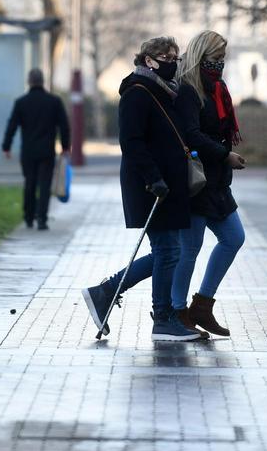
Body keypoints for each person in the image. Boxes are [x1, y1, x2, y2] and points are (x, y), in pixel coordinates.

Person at [81, 37, 202, 342]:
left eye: (176, 56)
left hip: (167, 185)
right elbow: (131, 142)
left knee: (168, 251)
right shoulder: (137, 93)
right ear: (149, 60)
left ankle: (108, 291)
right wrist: (153, 178)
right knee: (168, 250)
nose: (173, 61)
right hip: (151, 186)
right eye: (166, 56)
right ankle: (160, 317)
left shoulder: (164, 92)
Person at [171, 30, 246, 336]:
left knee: (233, 238)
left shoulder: (218, 88)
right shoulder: (189, 90)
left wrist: (225, 156)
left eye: (223, 59)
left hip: (216, 182)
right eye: (216, 59)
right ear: (202, 56)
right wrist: (224, 154)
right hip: (197, 179)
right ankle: (176, 312)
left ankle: (202, 306)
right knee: (189, 248)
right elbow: (191, 133)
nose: (220, 65)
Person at [1, 69, 70, 230]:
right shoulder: (54, 101)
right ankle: (42, 219)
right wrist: (65, 146)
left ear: (29, 81)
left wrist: (6, 146)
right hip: (47, 150)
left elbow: (12, 125)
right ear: (43, 81)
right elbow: (64, 126)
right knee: (45, 185)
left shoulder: (21, 102)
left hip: (28, 151)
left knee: (30, 183)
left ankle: (28, 216)